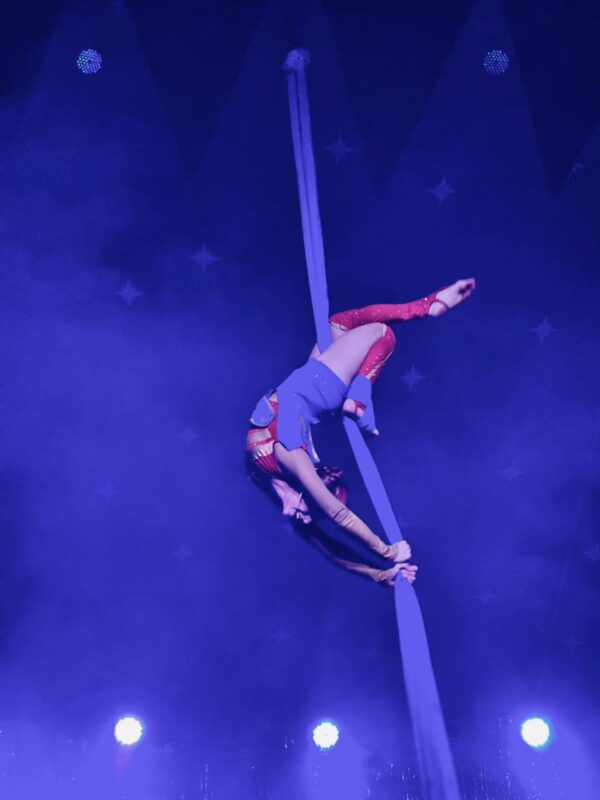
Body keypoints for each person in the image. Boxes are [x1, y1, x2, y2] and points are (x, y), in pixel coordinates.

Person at [246, 278, 476, 587]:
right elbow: (334, 528)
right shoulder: (292, 463)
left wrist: (384, 564)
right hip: (319, 386)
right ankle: (359, 395)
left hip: (313, 381)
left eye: (311, 512)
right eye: (313, 511)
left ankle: (426, 308)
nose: (303, 518)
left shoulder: (268, 479)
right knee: (383, 335)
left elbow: (333, 531)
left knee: (342, 323)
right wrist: (386, 560)